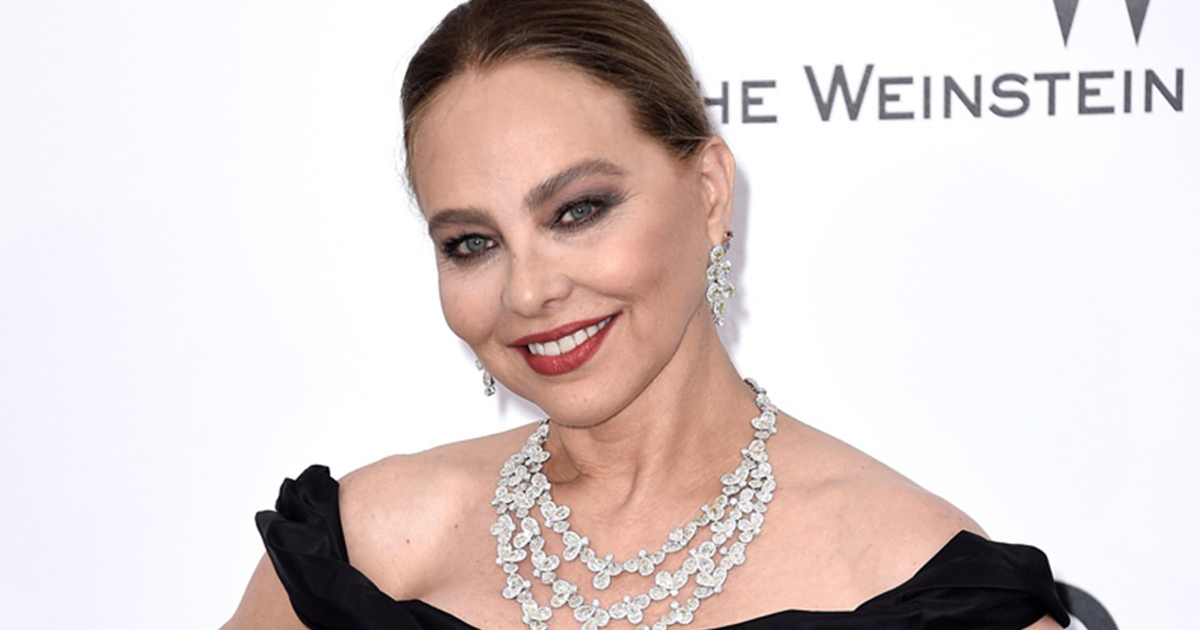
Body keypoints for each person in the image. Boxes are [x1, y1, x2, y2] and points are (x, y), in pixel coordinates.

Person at [224, 1, 1070, 628]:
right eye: (472, 243)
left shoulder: (914, 581)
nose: (528, 292)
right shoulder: (361, 554)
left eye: (578, 211)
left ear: (709, 193)